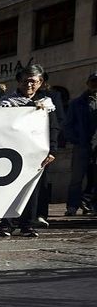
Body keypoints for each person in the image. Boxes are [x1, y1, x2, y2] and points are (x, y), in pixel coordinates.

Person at [0, 65, 59, 237]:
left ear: (40, 82)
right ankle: (6, 224)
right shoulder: (7, 101)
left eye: (33, 81)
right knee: (8, 188)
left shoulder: (47, 102)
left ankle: (27, 225)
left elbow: (53, 127)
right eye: (25, 81)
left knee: (33, 190)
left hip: (37, 153)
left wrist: (52, 150)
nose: (29, 85)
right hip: (11, 151)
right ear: (19, 81)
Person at [63, 72, 97, 216]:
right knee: (77, 178)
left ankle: (93, 206)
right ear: (88, 83)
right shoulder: (77, 103)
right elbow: (67, 125)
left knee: (96, 177)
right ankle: (72, 205)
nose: (96, 84)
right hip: (82, 144)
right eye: (93, 81)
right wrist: (75, 139)